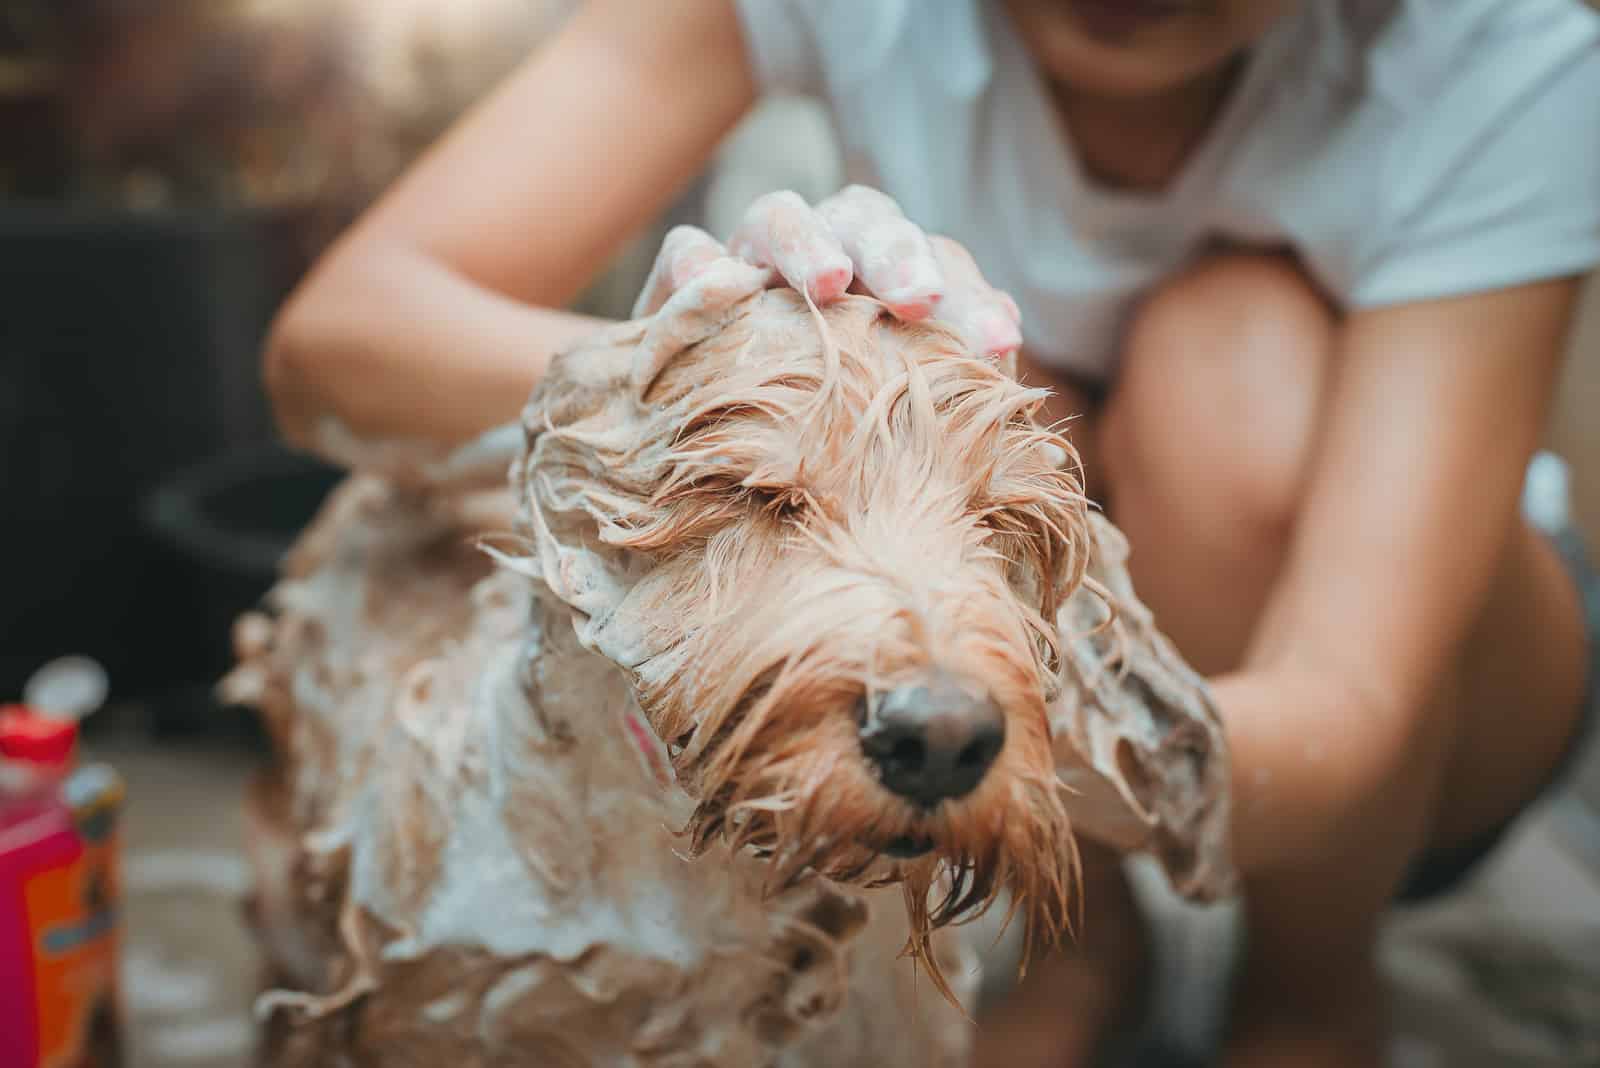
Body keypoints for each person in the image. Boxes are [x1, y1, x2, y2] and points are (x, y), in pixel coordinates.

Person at [262, 1, 1600, 1064]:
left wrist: (968, 730)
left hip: (1409, 705)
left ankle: (1308, 991)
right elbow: (338, 343)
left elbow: (1352, 715)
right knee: (966, 391)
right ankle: (1080, 944)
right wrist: (731, 371)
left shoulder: (1504, 53)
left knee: (1227, 370)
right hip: (1046, 591)